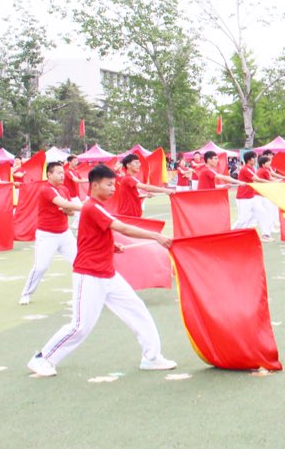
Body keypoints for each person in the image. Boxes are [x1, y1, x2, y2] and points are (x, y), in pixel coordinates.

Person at [25, 164, 177, 377]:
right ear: (95, 186)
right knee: (80, 326)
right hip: (89, 275)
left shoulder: (97, 207)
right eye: (109, 185)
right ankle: (42, 358)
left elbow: (89, 235)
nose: (113, 189)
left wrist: (110, 245)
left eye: (114, 185)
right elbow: (122, 228)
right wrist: (156, 236)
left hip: (108, 274)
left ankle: (151, 357)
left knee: (138, 311)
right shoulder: (92, 207)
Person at [19, 161, 84, 305]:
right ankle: (26, 294)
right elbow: (64, 203)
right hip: (47, 235)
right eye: (59, 173)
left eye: (63, 173)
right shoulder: (46, 189)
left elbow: (69, 211)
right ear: (49, 174)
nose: (62, 176)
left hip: (65, 234)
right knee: (41, 267)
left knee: (79, 263)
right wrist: (87, 208)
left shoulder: (64, 189)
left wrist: (68, 210)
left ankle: (82, 294)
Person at [114, 153, 175, 218]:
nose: (139, 165)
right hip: (127, 216)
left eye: (139, 163)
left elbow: (132, 195)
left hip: (132, 216)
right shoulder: (128, 178)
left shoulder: (131, 179)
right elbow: (147, 188)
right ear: (128, 165)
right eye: (136, 163)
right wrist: (165, 190)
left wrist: (145, 195)